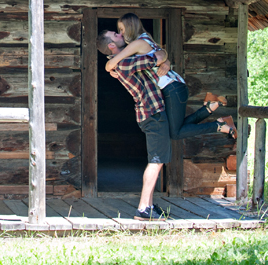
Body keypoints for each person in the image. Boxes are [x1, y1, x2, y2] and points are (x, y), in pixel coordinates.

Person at [101, 13, 237, 142]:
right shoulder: (144, 38)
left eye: (121, 29)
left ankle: (220, 125)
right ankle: (209, 107)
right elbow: (154, 56)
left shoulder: (136, 44)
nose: (121, 33)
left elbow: (116, 60)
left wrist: (109, 66)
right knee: (176, 130)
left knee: (175, 133)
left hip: (172, 87)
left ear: (130, 27)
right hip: (173, 87)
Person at [95, 33, 171, 220]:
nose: (120, 34)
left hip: (149, 112)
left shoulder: (120, 62)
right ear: (112, 45)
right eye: (115, 34)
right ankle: (143, 208)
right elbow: (157, 57)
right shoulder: (124, 63)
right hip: (153, 112)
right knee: (156, 160)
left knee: (156, 159)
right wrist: (165, 58)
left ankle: (150, 205)